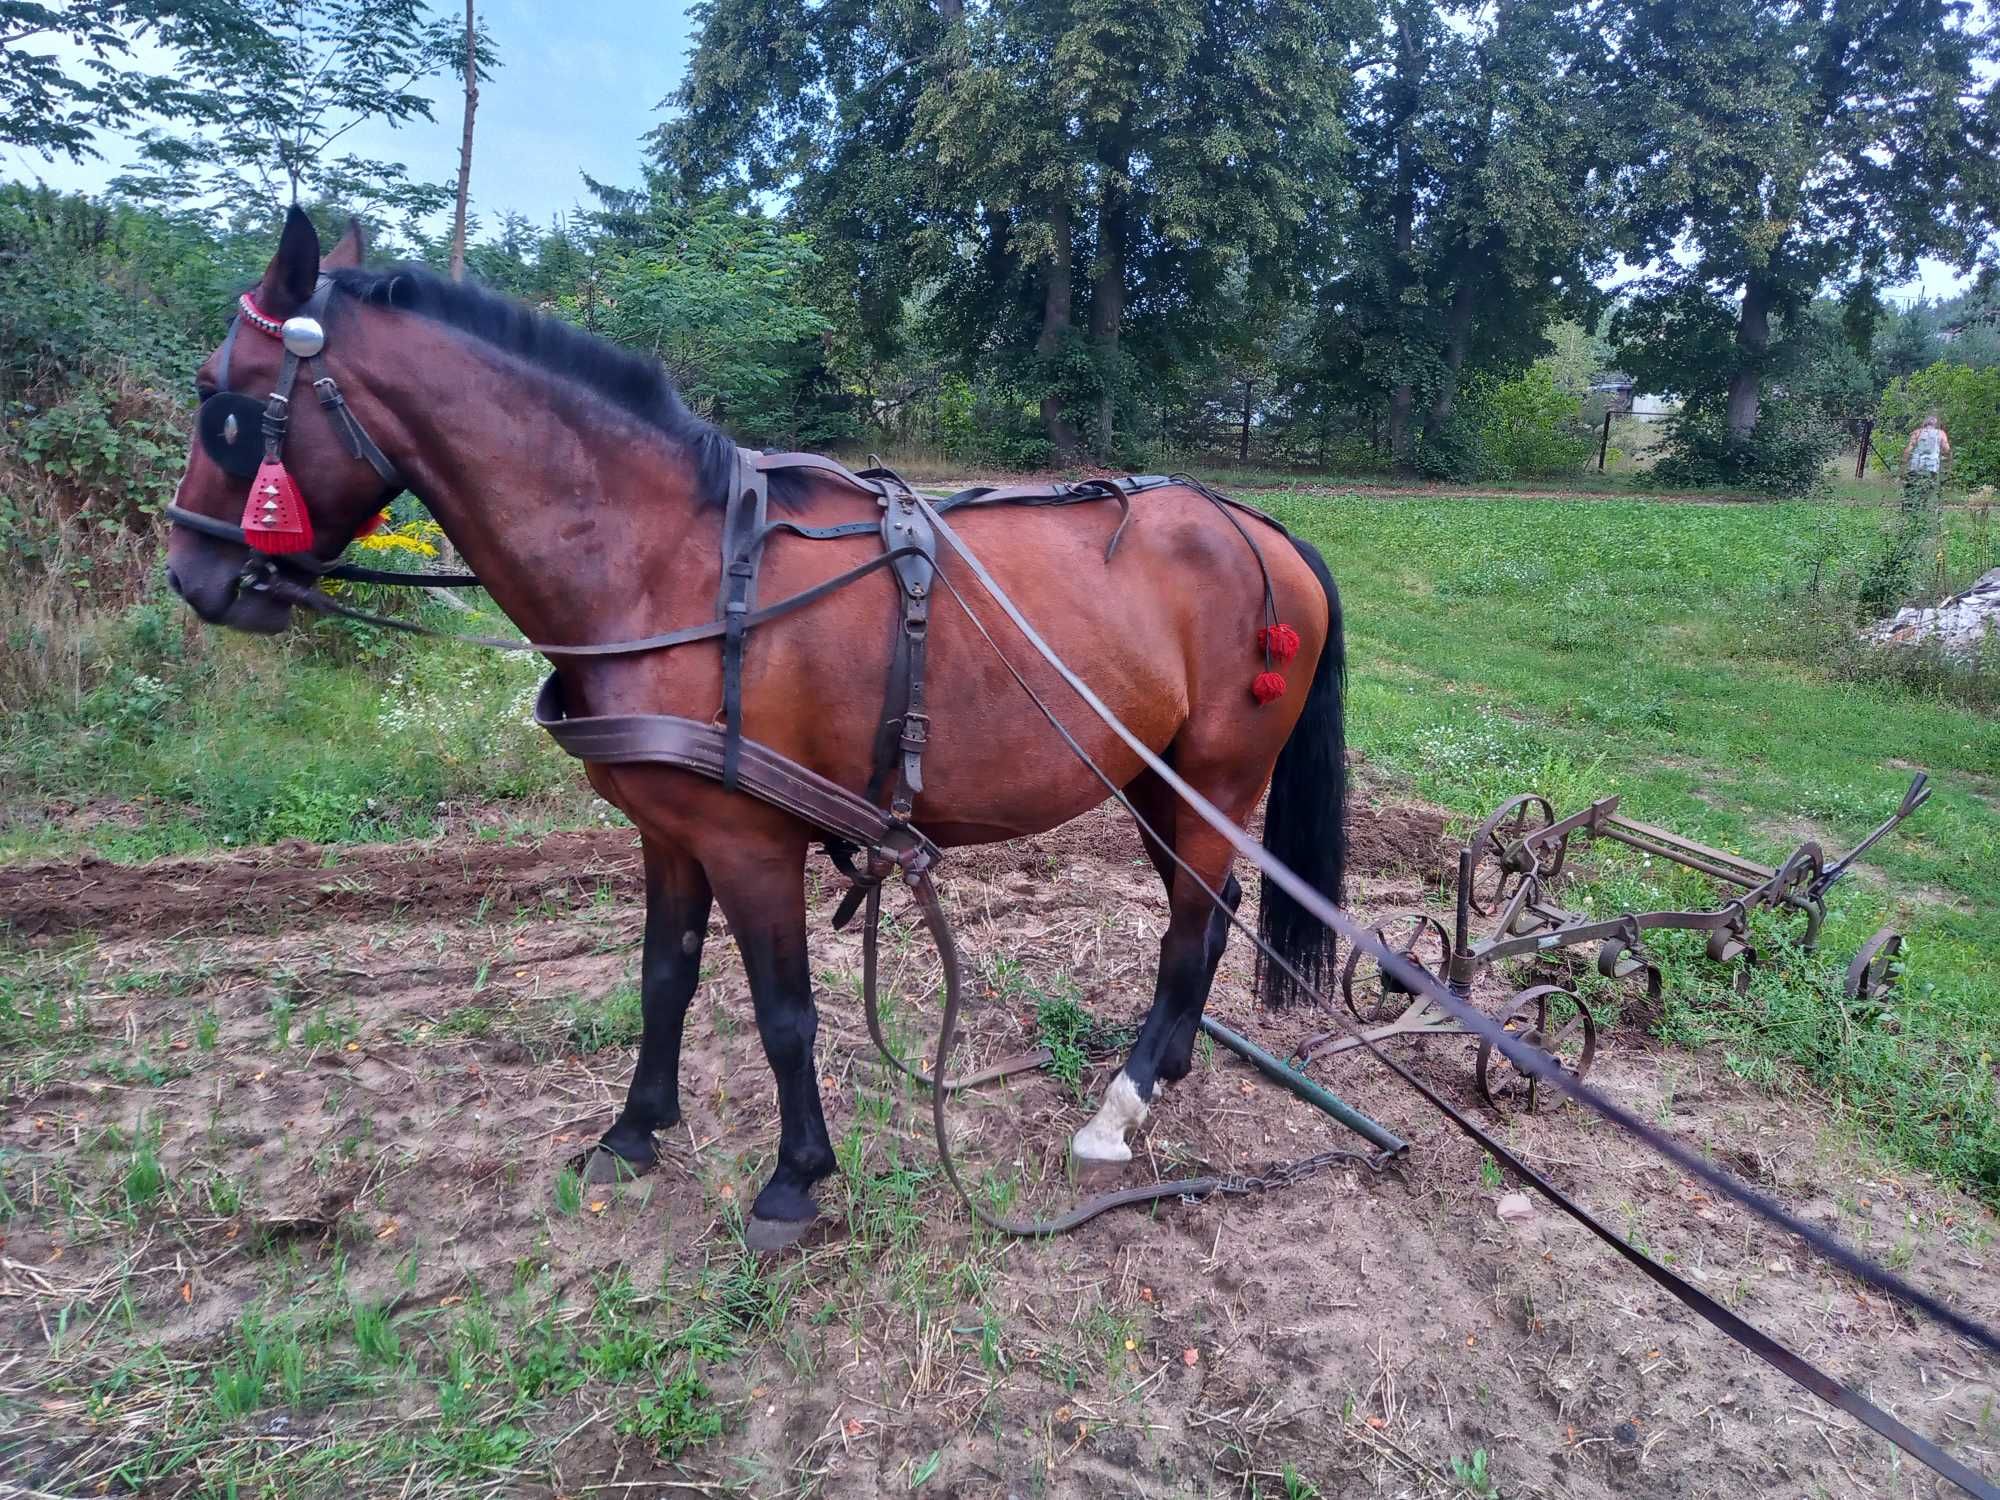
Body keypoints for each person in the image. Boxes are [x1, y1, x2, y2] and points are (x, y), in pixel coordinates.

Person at [1901, 412, 1952, 514]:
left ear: (1924, 424)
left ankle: (1908, 512)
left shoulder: (1917, 432)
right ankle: (1923, 511)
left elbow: (1908, 450)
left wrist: (1903, 463)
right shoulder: (1941, 433)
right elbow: (1947, 449)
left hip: (1915, 466)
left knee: (1910, 489)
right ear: (1936, 425)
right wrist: (1945, 457)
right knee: (1927, 490)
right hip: (1932, 467)